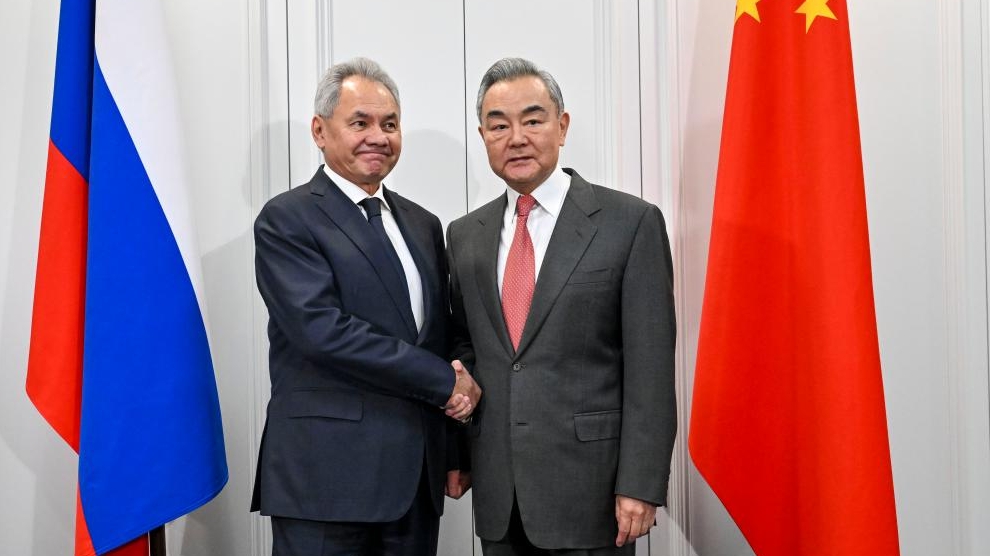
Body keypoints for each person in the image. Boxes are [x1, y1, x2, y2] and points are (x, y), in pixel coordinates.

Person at [446, 57, 677, 555]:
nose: (517, 138)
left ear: (562, 125)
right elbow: (466, 348)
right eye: (498, 125)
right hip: (500, 496)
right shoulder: (464, 235)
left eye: (533, 120)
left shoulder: (629, 223)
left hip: (593, 494)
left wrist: (641, 482)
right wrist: (458, 449)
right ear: (483, 136)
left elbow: (651, 368)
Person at [251, 57, 480, 556]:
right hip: (325, 481)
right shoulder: (287, 219)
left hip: (415, 482)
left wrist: (453, 447)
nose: (378, 136)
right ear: (320, 130)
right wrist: (445, 383)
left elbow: (439, 337)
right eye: (360, 123)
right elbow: (323, 332)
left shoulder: (423, 223)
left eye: (390, 124)